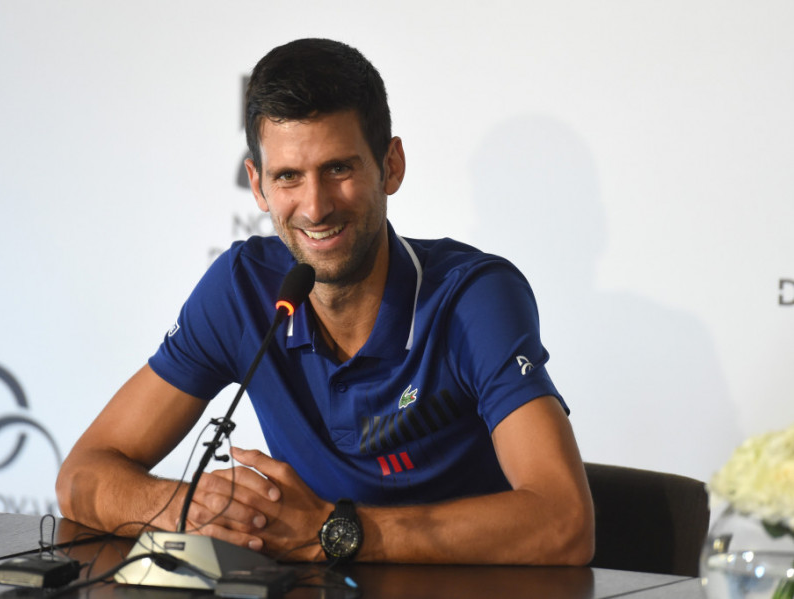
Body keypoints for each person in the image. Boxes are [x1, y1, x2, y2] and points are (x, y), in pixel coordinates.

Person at [56, 38, 595, 566]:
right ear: (258, 186)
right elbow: (81, 475)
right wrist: (188, 509)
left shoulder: (473, 297)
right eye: (288, 177)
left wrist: (334, 531)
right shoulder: (241, 290)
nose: (315, 207)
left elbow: (565, 523)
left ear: (390, 166)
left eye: (339, 169)